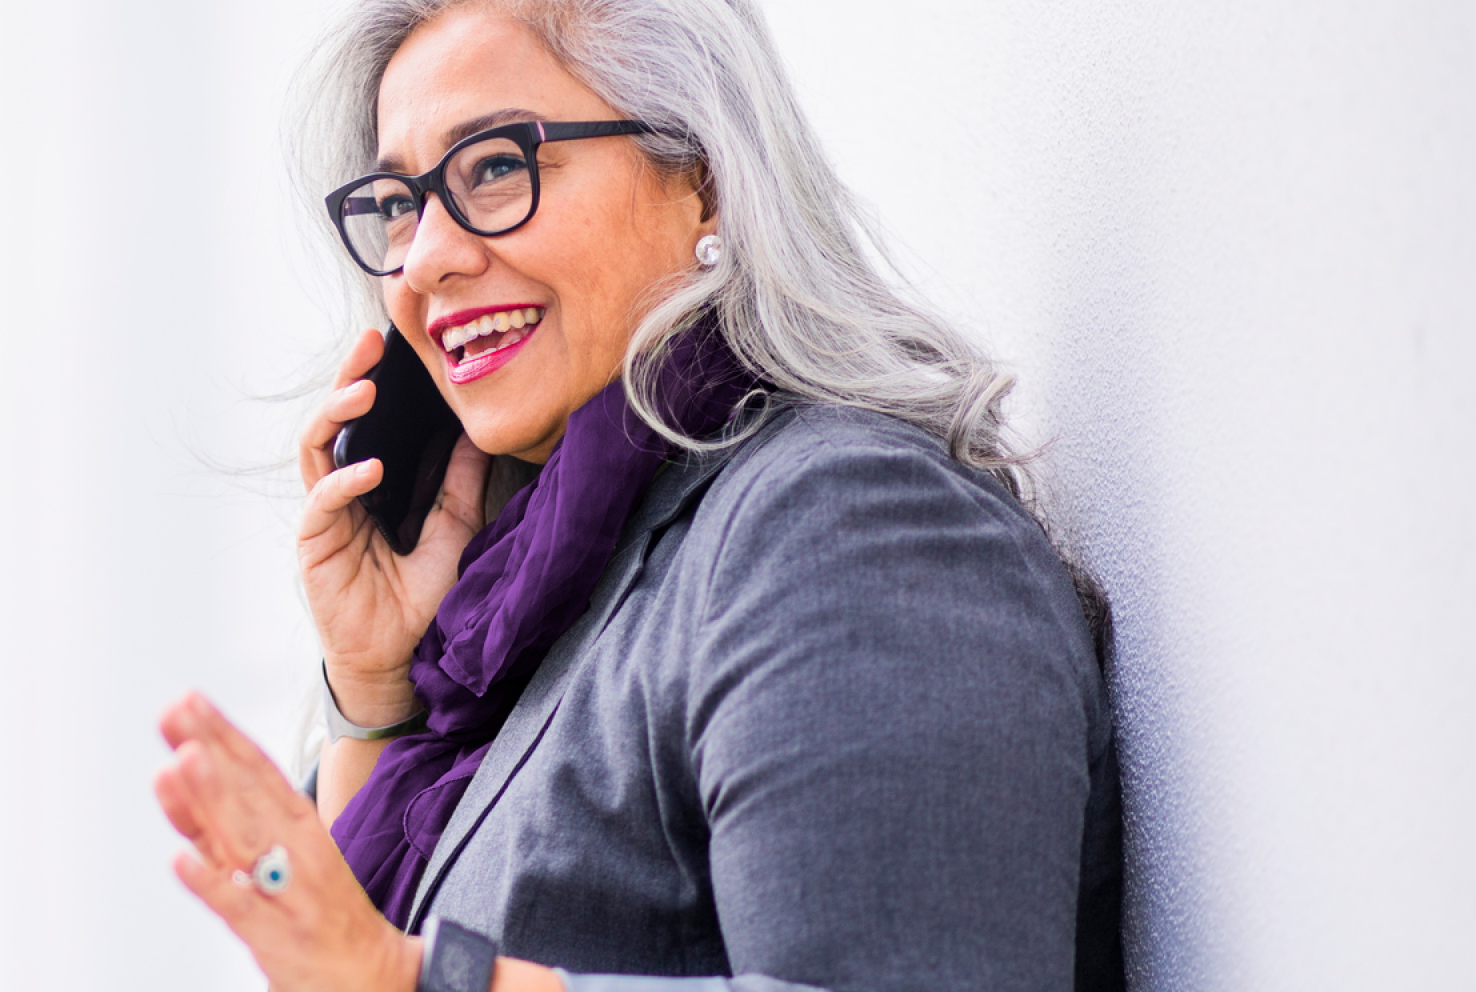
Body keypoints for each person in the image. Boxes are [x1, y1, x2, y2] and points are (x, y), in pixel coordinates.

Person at [150, 1, 1124, 990]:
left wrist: (415, 981)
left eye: (492, 165)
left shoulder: (850, 524)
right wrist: (373, 694)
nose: (423, 260)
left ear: (699, 181)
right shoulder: (519, 620)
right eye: (398, 202)